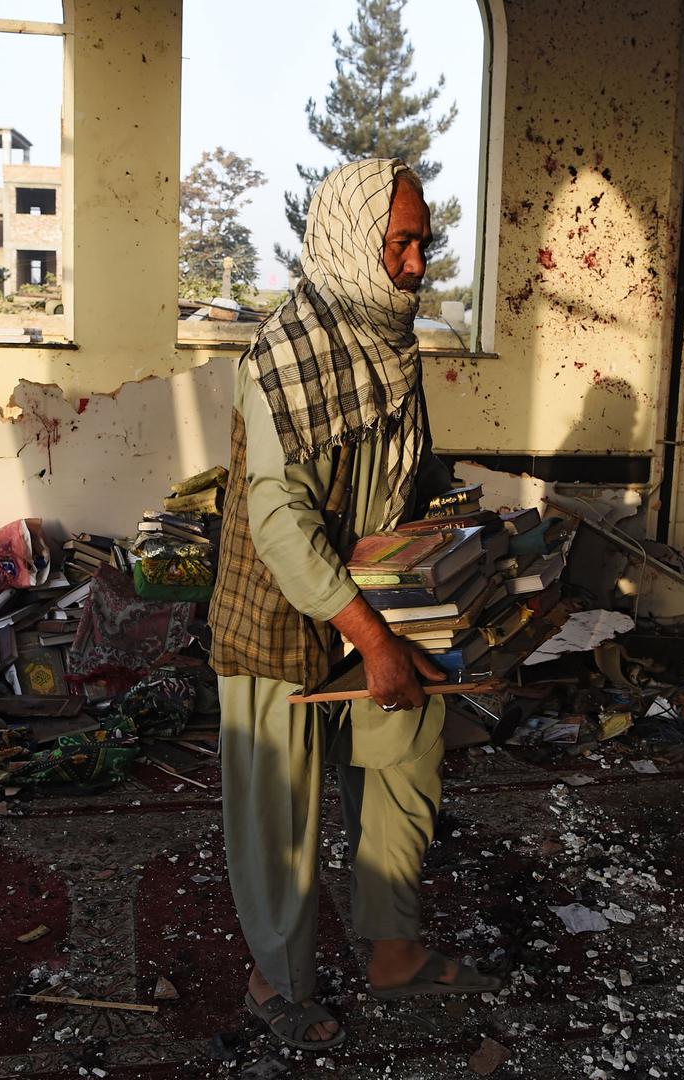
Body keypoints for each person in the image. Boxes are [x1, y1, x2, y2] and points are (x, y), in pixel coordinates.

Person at [209, 158, 500, 1051]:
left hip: (373, 596)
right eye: (400, 244)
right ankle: (276, 980)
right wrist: (374, 640)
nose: (416, 264)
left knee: (404, 752)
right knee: (280, 811)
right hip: (281, 606)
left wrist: (464, 537)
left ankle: (394, 951)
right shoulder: (284, 358)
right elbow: (282, 524)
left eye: (423, 244)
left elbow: (402, 466)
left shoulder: (391, 342)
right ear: (347, 242)